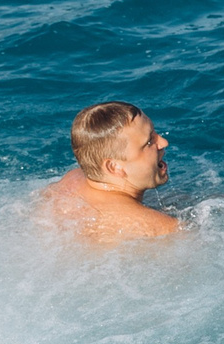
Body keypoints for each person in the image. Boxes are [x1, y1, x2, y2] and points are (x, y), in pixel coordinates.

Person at [43, 101, 181, 243]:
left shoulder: (71, 180)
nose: (164, 142)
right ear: (114, 167)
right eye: (149, 142)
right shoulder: (162, 229)